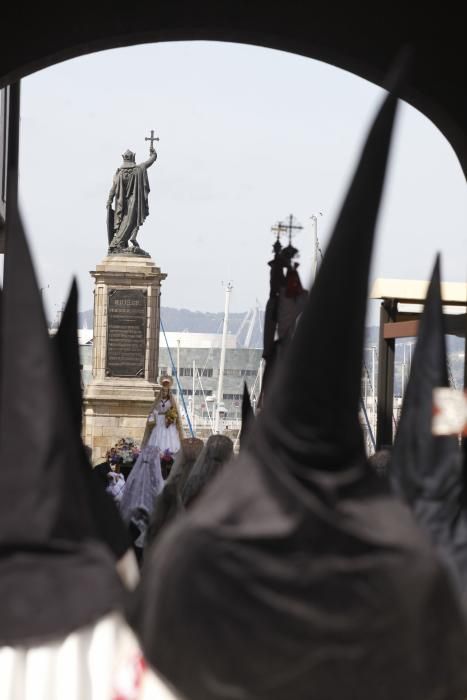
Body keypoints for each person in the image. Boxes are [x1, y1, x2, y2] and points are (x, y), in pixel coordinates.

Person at [106, 146, 157, 253]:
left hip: (122, 205)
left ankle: (121, 243)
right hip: (134, 203)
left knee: (124, 223)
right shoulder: (138, 169)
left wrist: (109, 201)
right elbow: (149, 162)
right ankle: (118, 244)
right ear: (133, 158)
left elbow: (113, 189)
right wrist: (153, 155)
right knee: (130, 223)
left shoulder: (119, 174)